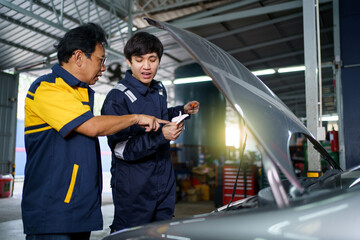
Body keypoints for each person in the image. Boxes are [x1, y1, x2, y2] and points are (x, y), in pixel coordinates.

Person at [22, 23, 168, 240]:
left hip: (78, 211)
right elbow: (92, 126)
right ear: (79, 57)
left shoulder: (79, 92)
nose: (103, 68)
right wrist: (136, 118)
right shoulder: (48, 88)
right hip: (53, 212)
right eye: (100, 60)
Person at [101, 31, 200, 232]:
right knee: (132, 236)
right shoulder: (117, 98)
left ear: (158, 61)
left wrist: (182, 111)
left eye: (152, 60)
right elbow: (121, 149)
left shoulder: (159, 89)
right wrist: (161, 136)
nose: (146, 66)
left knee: (160, 233)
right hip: (134, 188)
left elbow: (162, 116)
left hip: (163, 182)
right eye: (139, 60)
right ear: (129, 62)